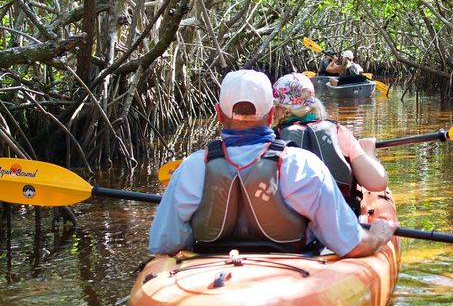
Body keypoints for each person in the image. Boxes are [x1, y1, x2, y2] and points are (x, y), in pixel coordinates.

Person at [148, 69, 397, 257]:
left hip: (211, 279)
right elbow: (351, 245)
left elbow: (163, 244)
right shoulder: (303, 166)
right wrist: (377, 235)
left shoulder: (191, 168)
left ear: (218, 114)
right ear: (270, 115)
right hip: (291, 276)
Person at [272, 73, 388, 212]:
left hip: (293, 223)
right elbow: (378, 183)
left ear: (278, 107)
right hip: (338, 216)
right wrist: (369, 154)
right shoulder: (338, 132)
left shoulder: (273, 138)